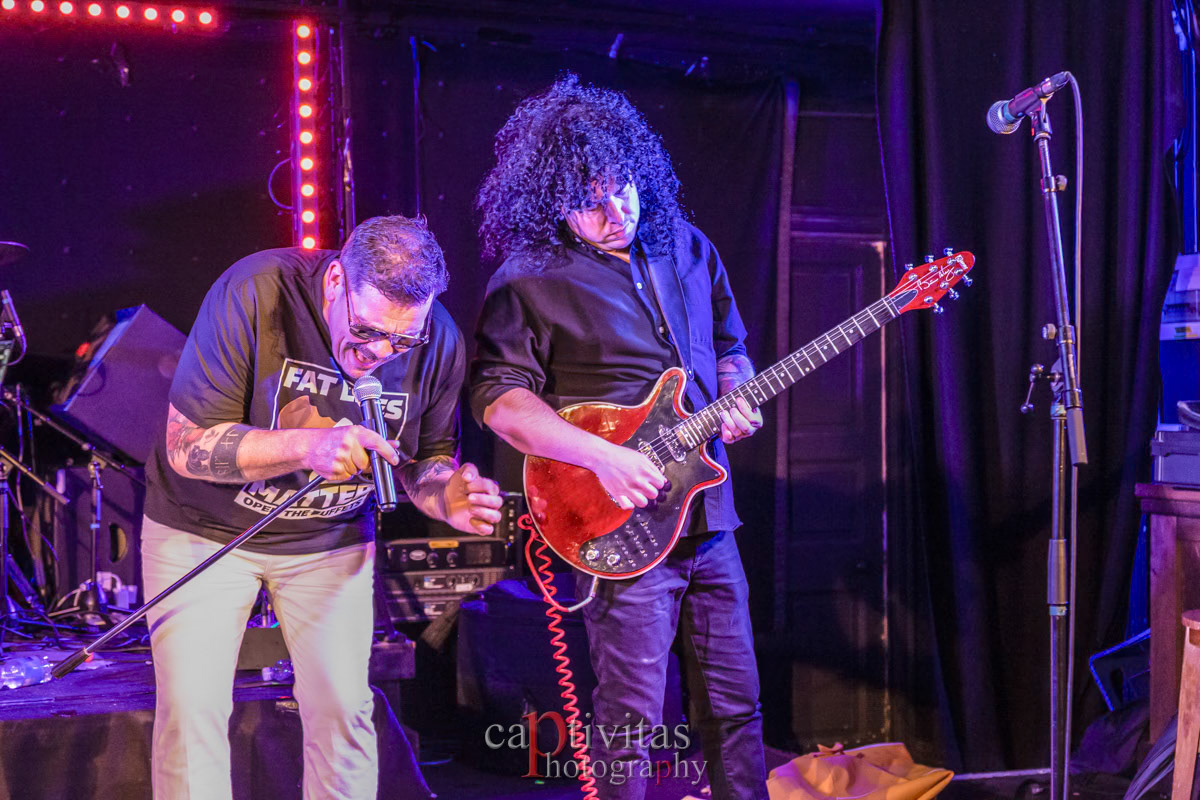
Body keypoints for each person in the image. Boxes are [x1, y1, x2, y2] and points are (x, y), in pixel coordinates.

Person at [470, 76, 767, 800]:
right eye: (592, 202)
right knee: (630, 720)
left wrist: (737, 393)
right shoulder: (529, 278)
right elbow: (499, 400)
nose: (617, 213)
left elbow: (731, 346)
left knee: (737, 708)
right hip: (618, 523)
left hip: (709, 517)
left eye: (625, 190)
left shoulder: (687, 246)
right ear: (553, 202)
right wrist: (603, 457)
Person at [141, 214, 503, 800]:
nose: (379, 353)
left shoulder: (438, 339)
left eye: (402, 340)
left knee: (344, 711)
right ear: (336, 281)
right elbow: (187, 447)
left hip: (329, 539)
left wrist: (445, 497)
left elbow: (422, 460)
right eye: (365, 331)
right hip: (205, 531)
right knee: (192, 711)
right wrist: (307, 447)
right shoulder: (256, 290)